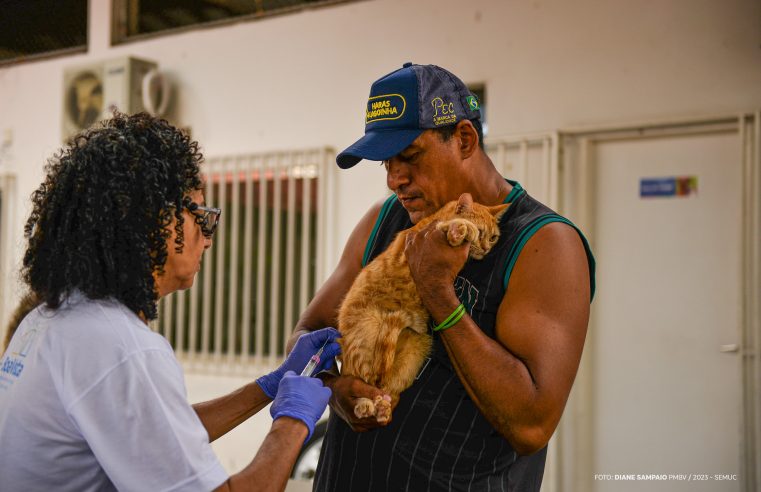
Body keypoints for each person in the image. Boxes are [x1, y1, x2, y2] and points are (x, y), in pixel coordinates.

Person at [287, 63, 596, 491]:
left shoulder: (544, 244)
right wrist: (333, 387)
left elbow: (531, 426)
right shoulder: (384, 220)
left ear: (465, 139)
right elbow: (307, 332)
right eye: (386, 163)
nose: (396, 179)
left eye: (410, 157)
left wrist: (437, 292)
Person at [0, 112, 340, 492]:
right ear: (154, 218)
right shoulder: (118, 345)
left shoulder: (53, 319)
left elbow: (156, 434)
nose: (208, 239)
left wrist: (268, 387)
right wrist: (293, 423)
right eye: (202, 217)